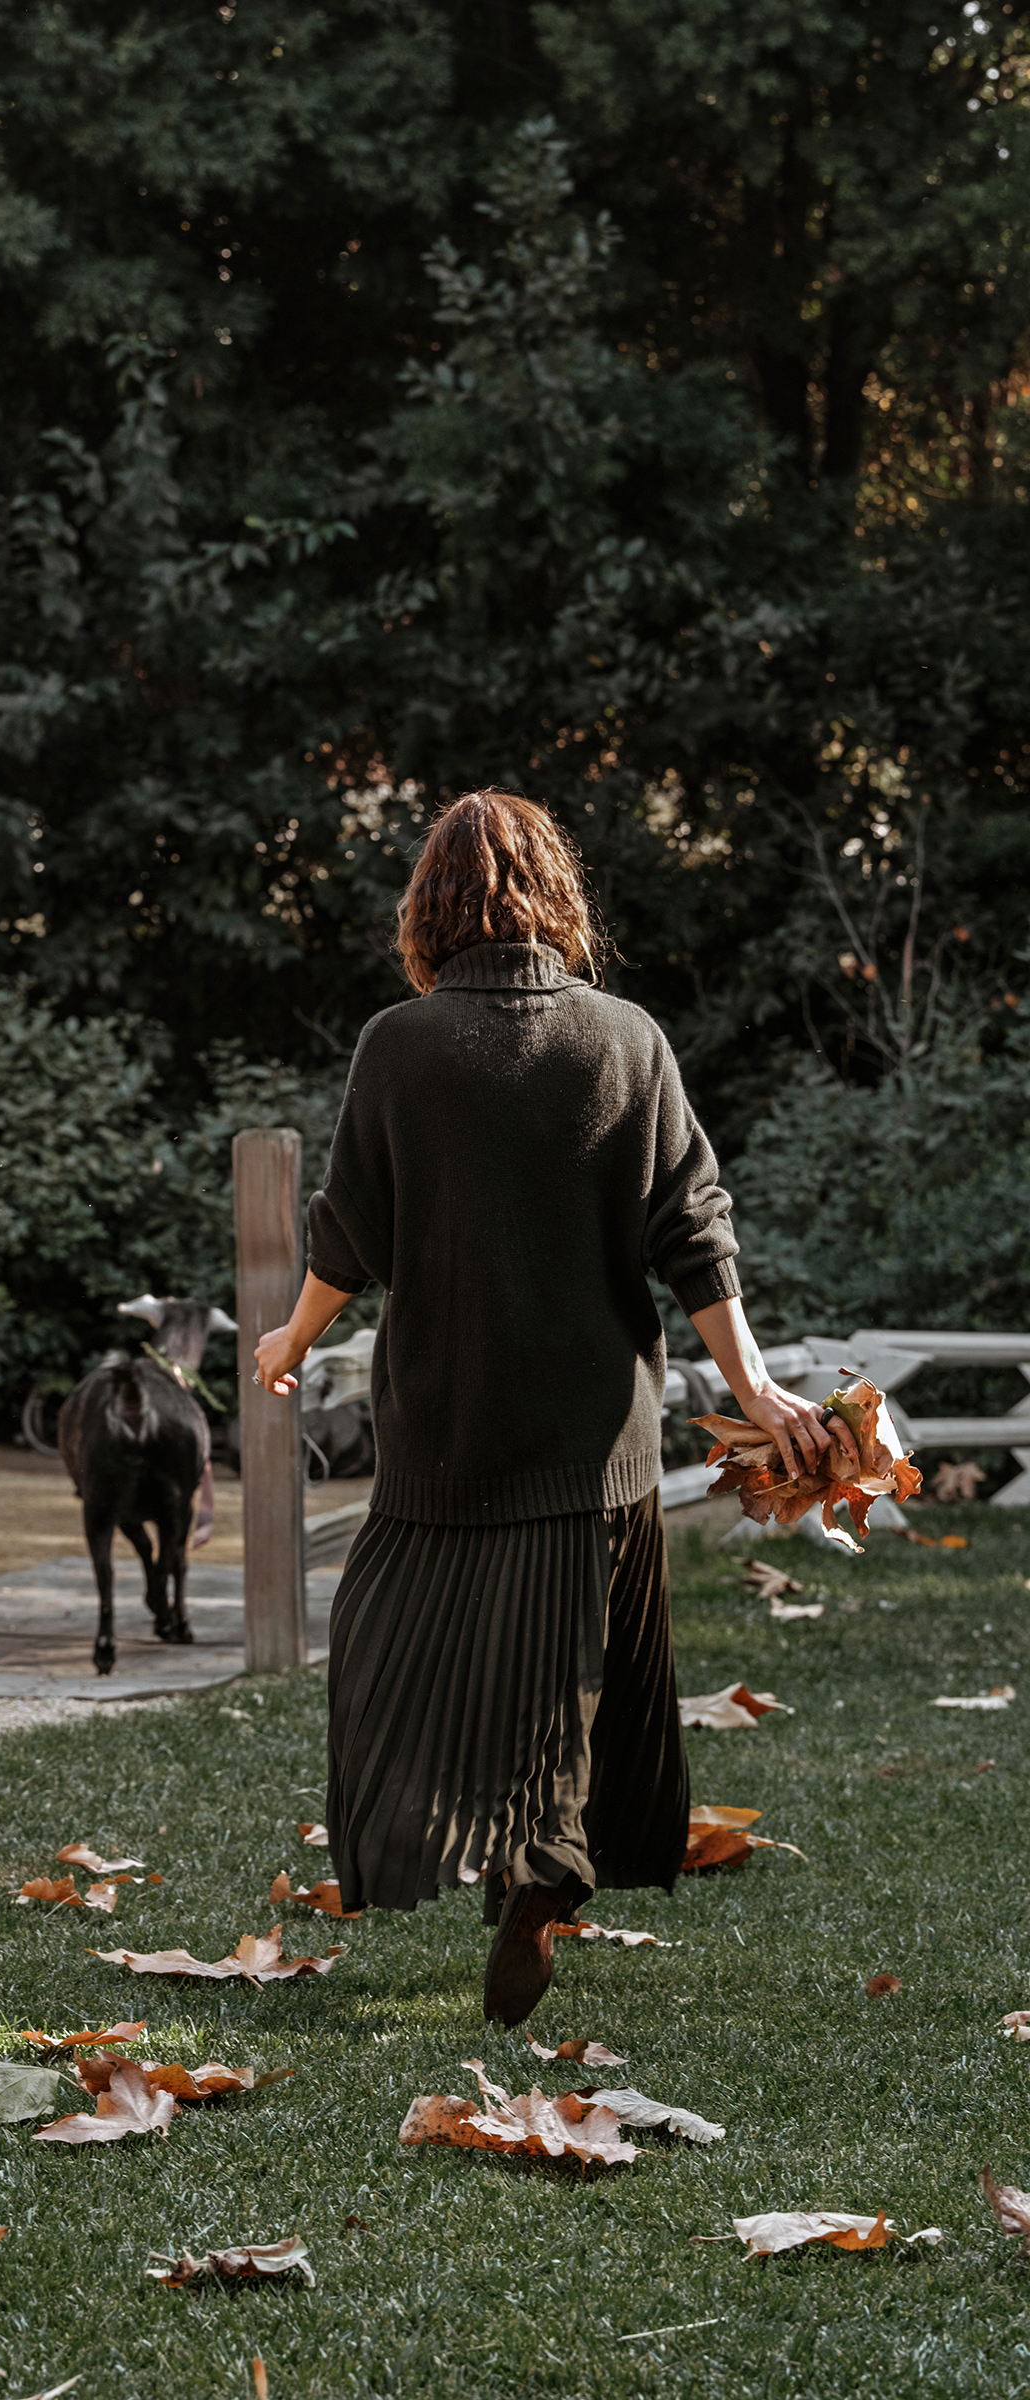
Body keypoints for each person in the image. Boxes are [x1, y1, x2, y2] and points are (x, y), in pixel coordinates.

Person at [251, 789, 844, 2027]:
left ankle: (496, 1853)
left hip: (447, 1434)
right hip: (595, 1441)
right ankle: (545, 1865)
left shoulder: (397, 1045)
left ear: (428, 909)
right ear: (554, 899)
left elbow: (349, 1229)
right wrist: (753, 1386)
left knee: (380, 1651)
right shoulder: (625, 1039)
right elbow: (693, 1230)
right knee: (573, 1667)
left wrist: (289, 1338)